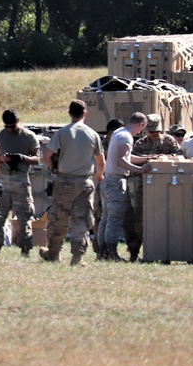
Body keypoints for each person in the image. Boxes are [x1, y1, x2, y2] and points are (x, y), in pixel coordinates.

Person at [39, 100, 105, 266]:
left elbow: (46, 157)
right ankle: (77, 257)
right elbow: (101, 162)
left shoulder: (62, 133)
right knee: (81, 220)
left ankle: (54, 253)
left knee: (58, 218)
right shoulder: (93, 134)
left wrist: (54, 168)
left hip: (63, 181)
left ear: (69, 113)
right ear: (85, 114)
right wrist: (99, 175)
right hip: (84, 183)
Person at [126, 114, 181, 262]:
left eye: (156, 131)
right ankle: (134, 252)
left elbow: (180, 157)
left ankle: (166, 253)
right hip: (142, 187)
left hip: (165, 187)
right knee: (139, 219)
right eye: (151, 131)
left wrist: (163, 159)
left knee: (165, 218)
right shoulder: (140, 144)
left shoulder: (170, 142)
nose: (154, 134)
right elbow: (133, 162)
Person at [99, 112, 152, 262]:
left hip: (108, 179)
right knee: (114, 219)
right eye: (142, 128)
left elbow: (124, 157)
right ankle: (111, 253)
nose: (140, 132)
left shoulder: (118, 133)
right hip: (116, 181)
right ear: (141, 124)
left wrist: (146, 159)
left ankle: (103, 252)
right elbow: (121, 161)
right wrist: (141, 169)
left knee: (106, 218)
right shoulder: (126, 136)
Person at [0, 109, 41, 257]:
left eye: (12, 126)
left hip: (21, 179)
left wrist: (22, 158)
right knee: (0, 215)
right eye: (7, 126)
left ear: (18, 121)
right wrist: (1, 158)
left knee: (24, 216)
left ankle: (25, 248)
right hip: (4, 178)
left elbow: (37, 159)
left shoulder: (29, 136)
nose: (9, 129)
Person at [93, 118, 124, 259]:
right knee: (100, 218)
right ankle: (100, 251)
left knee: (107, 217)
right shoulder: (100, 144)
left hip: (107, 184)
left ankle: (104, 251)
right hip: (101, 184)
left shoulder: (117, 144)